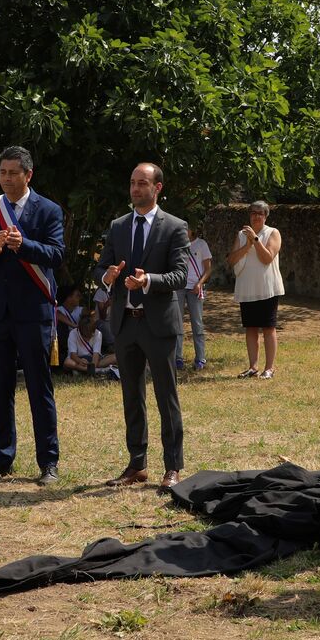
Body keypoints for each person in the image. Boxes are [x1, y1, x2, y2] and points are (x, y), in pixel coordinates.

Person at [0, 146, 65, 486]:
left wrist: (25, 246)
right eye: (2, 172)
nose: (6, 178)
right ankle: (2, 459)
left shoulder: (48, 210)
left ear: (28, 175)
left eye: (13, 173)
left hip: (32, 312)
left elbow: (57, 255)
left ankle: (48, 462)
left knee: (38, 387)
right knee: (0, 387)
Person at [94, 162, 189, 488]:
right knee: (132, 397)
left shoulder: (174, 227)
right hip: (125, 324)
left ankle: (172, 466)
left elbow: (181, 276)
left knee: (166, 396)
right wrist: (107, 276)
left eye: (142, 183)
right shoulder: (118, 226)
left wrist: (148, 280)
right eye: (133, 183)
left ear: (157, 188)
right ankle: (137, 465)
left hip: (158, 324)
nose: (135, 188)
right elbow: (101, 268)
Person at [226, 201, 284, 378]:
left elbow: (267, 258)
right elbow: (231, 260)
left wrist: (256, 240)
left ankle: (269, 368)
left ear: (265, 216)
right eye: (253, 213)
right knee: (250, 328)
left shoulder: (273, 233)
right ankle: (253, 367)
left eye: (260, 213)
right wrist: (247, 245)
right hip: (247, 287)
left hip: (267, 288)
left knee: (268, 328)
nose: (256, 216)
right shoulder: (241, 234)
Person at [175, 226, 213, 369]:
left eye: (187, 228)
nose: (184, 231)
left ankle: (200, 358)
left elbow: (208, 269)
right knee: (177, 323)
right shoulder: (177, 244)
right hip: (179, 287)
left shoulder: (201, 244)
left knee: (197, 323)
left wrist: (199, 283)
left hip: (195, 288)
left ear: (192, 229)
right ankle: (177, 358)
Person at [63, 309, 117, 377]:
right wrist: (79, 361)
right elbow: (73, 355)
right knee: (67, 362)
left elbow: (96, 354)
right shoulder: (73, 333)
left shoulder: (98, 333)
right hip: (78, 360)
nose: (88, 338)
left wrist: (93, 365)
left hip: (93, 360)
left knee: (115, 357)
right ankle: (98, 370)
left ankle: (82, 370)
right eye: (86, 336)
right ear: (80, 331)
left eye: (91, 335)